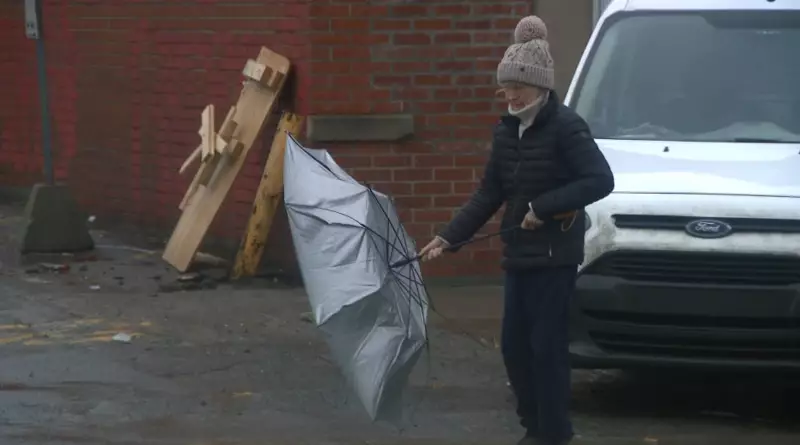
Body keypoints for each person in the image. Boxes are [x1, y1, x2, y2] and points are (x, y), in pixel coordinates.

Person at [418, 15, 614, 445]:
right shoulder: (507, 132)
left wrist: (545, 206)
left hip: (555, 257)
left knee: (546, 348)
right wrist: (448, 237)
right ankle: (534, 428)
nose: (509, 95)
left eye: (517, 87)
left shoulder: (566, 127)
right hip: (518, 254)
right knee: (514, 349)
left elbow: (600, 180)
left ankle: (554, 434)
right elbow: (489, 193)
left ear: (539, 87)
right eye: (505, 87)